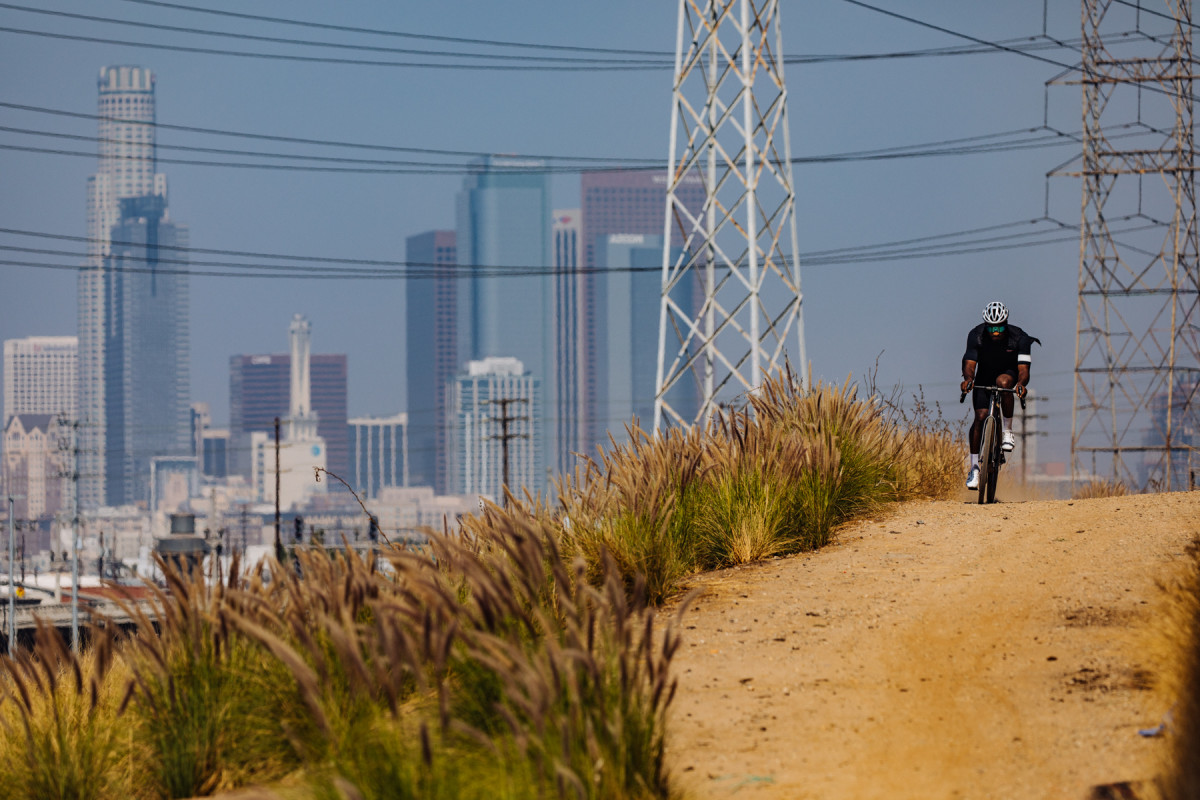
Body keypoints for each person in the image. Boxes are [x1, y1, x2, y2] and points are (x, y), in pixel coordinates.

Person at [959, 301, 1040, 489]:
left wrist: (1021, 384)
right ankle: (974, 468)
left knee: (1003, 383)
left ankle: (1007, 431)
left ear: (1007, 324)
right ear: (986, 326)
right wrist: (968, 379)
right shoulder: (976, 335)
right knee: (979, 417)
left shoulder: (1020, 338)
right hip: (984, 375)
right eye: (992, 328)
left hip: (1008, 373)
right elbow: (969, 364)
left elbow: (1024, 370)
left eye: (1000, 327)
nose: (996, 333)